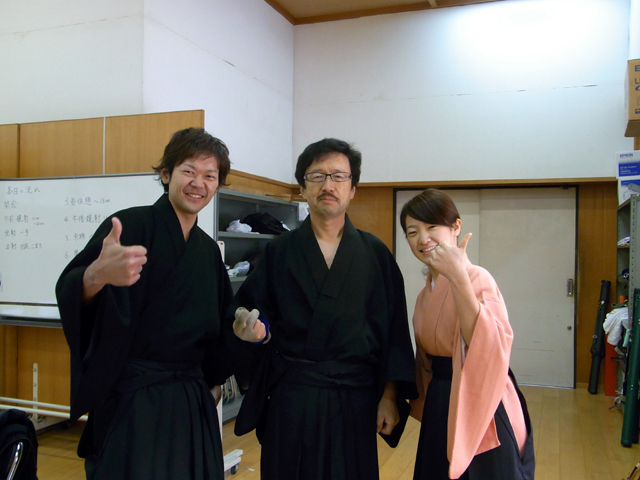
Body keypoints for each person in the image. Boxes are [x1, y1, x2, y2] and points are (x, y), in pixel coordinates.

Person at [56, 128, 238, 480]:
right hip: (133, 398)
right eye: (188, 171)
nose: (198, 183)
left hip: (190, 398)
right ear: (166, 174)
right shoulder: (131, 224)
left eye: (209, 175)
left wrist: (215, 377)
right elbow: (71, 288)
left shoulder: (207, 250)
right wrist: (95, 276)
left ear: (217, 184)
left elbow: (218, 323)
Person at [230, 138, 417, 480]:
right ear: (303, 188)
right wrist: (253, 331)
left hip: (356, 396)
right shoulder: (278, 252)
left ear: (352, 189)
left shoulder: (375, 254)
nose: (328, 185)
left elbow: (394, 331)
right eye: (317, 176)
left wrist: (390, 396)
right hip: (293, 394)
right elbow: (255, 314)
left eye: (338, 176)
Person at [399, 189, 535, 480]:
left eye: (432, 226)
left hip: (480, 396)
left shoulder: (477, 277)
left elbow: (487, 345)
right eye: (412, 232)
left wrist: (458, 277)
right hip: (440, 397)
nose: (423, 238)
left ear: (456, 227)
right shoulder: (425, 294)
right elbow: (424, 360)